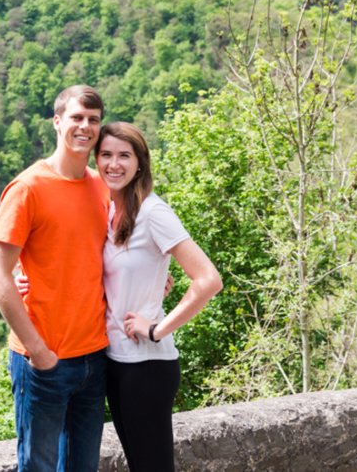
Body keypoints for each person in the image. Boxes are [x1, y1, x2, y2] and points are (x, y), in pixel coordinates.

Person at [18, 121, 222, 472]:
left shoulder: (153, 212)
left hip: (147, 365)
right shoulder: (108, 208)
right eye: (106, 155)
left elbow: (208, 280)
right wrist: (25, 277)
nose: (114, 164)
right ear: (96, 160)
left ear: (140, 163)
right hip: (114, 360)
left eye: (124, 156)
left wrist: (157, 328)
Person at [0, 84, 111, 472]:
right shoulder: (28, 189)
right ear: (57, 122)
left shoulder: (103, 185)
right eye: (76, 117)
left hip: (94, 355)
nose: (85, 127)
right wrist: (39, 352)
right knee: (37, 467)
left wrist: (155, 279)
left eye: (93, 120)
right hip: (44, 360)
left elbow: (108, 256)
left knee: (82, 468)